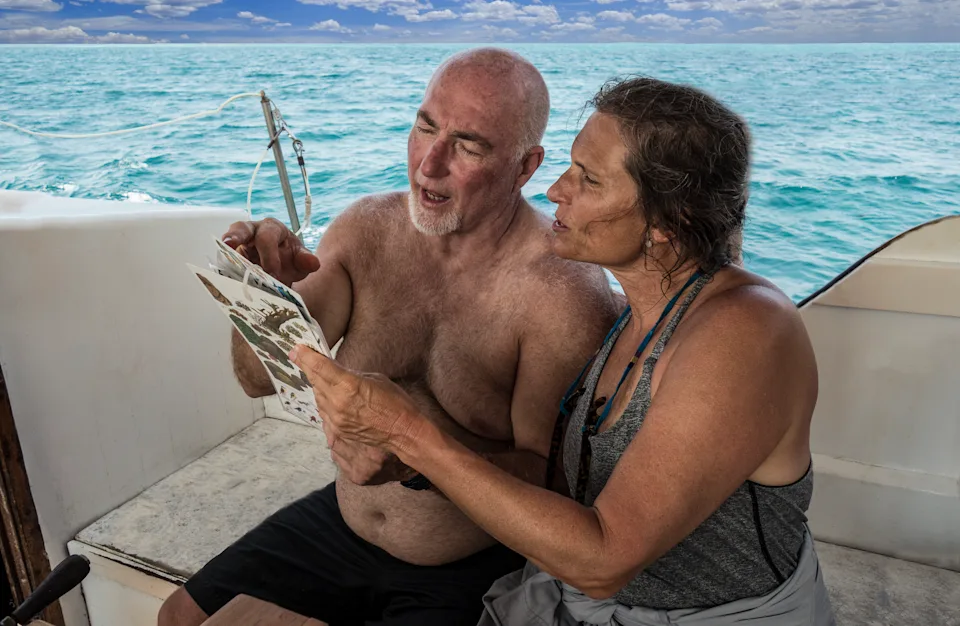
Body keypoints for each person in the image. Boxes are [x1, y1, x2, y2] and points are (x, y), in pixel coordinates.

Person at [290, 76, 837, 625]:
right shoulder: (644, 313)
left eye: (588, 179)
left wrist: (408, 434)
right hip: (577, 602)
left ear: (671, 222)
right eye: (570, 166)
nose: (555, 190)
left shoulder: (745, 332)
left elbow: (604, 559)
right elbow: (562, 483)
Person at [158, 48, 621, 626]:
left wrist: (412, 457)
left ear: (525, 168)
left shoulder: (562, 293)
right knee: (177, 616)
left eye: (469, 144)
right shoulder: (364, 231)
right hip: (344, 524)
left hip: (471, 562)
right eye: (425, 125)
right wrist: (261, 293)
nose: (429, 163)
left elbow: (554, 483)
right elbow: (258, 381)